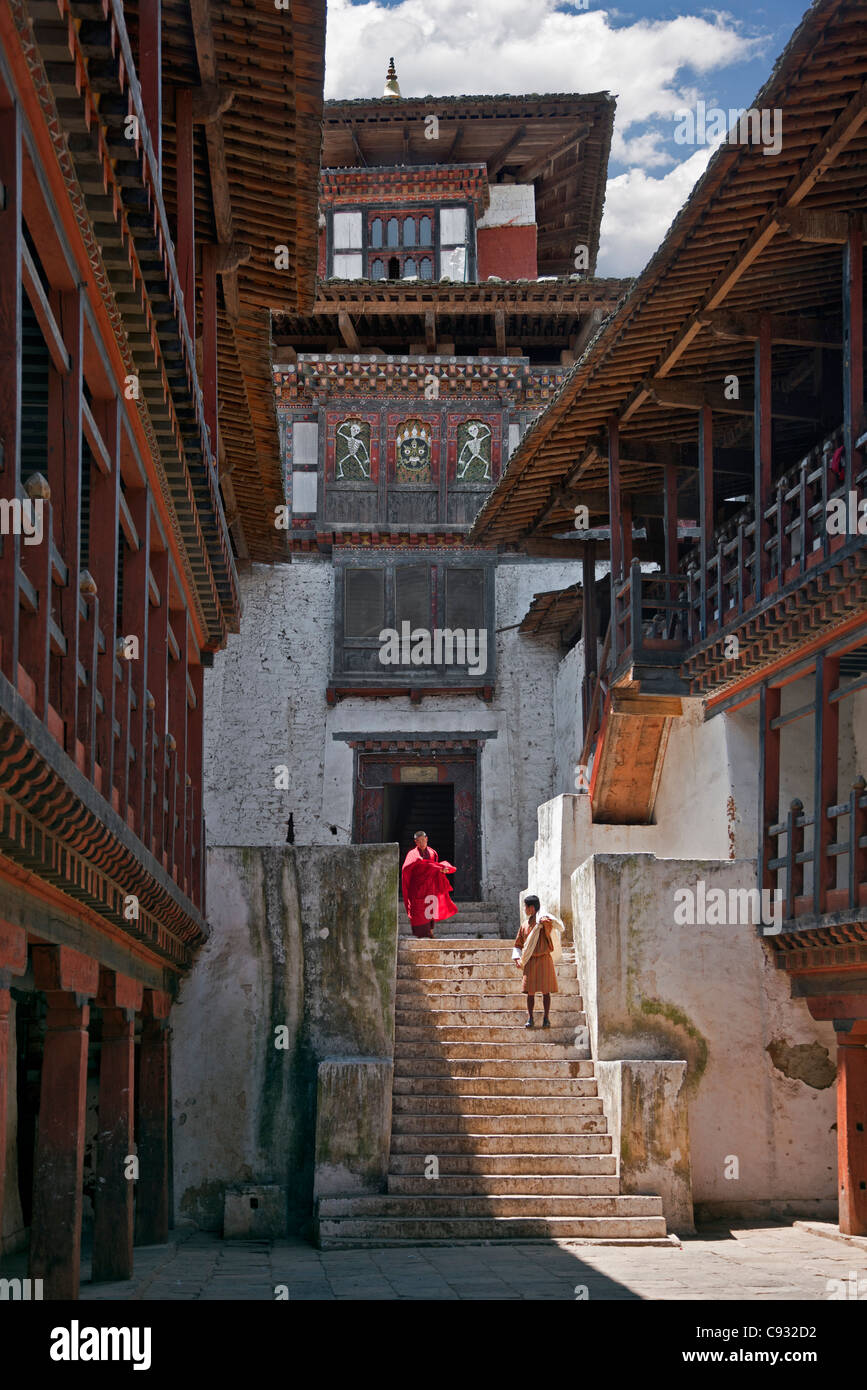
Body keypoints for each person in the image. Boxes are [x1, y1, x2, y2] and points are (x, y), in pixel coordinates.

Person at [513, 894, 561, 1028]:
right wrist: (517, 958)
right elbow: (518, 944)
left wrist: (546, 924)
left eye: (526, 906)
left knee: (546, 991)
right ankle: (530, 1018)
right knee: (530, 991)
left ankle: (546, 1018)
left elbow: (550, 931)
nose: (524, 909)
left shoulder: (544, 921)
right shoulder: (524, 926)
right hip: (530, 960)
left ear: (531, 908)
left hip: (544, 958)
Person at [401, 830, 458, 938]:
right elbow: (406, 869)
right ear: (415, 842)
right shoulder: (412, 854)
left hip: (431, 886)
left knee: (430, 910)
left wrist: (441, 870)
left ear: (427, 839)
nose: (422, 843)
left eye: (423, 840)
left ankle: (430, 932)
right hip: (417, 887)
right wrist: (418, 862)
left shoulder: (433, 853)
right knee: (417, 911)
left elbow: (434, 867)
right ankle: (421, 934)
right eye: (419, 841)